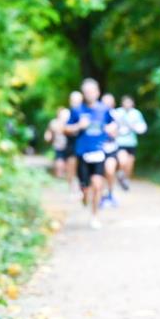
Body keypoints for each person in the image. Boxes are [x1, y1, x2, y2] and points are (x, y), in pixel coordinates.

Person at [65, 79, 117, 229]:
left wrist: (110, 128)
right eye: (86, 92)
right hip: (82, 153)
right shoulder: (77, 110)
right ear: (83, 94)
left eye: (92, 91)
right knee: (86, 188)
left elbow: (114, 124)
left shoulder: (104, 109)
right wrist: (78, 126)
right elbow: (65, 128)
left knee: (98, 184)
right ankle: (84, 194)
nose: (89, 94)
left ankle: (95, 216)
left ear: (97, 92)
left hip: (99, 152)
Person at [113, 95, 148, 190]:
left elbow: (142, 127)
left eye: (129, 102)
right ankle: (120, 173)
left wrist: (135, 128)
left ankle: (125, 179)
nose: (127, 104)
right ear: (122, 103)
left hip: (132, 143)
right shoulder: (117, 112)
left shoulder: (136, 113)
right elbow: (113, 126)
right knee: (122, 161)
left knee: (130, 163)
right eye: (126, 102)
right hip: (120, 142)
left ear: (132, 104)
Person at [99, 93, 120, 208]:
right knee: (100, 174)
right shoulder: (96, 113)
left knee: (110, 171)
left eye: (109, 102)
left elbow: (115, 131)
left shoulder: (115, 115)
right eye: (105, 102)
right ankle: (101, 196)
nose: (107, 104)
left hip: (111, 148)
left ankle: (111, 194)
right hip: (98, 149)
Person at [43, 107, 71, 179]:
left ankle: (60, 176)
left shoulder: (54, 122)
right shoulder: (58, 122)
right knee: (62, 160)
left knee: (61, 159)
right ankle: (61, 175)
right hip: (61, 144)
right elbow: (49, 133)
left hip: (62, 144)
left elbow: (48, 133)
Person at [66, 90, 83, 198]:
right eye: (73, 100)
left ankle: (82, 189)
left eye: (77, 100)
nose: (75, 102)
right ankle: (72, 190)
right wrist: (78, 126)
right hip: (71, 144)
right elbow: (64, 128)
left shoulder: (85, 111)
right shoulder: (67, 113)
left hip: (83, 144)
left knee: (82, 168)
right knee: (71, 167)